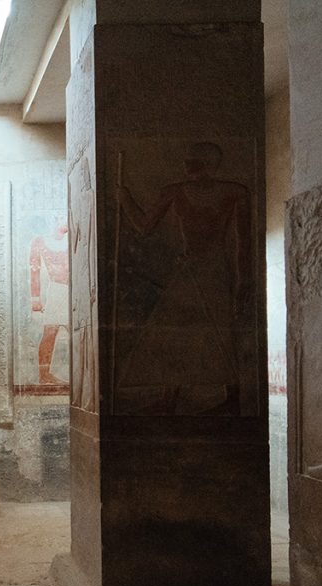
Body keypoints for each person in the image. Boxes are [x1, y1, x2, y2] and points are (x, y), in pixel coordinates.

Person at [115, 142, 251, 415]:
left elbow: (242, 242)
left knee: (219, 329)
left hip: (214, 269)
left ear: (210, 165)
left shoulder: (234, 193)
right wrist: (125, 198)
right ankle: (171, 394)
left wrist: (243, 281)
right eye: (187, 162)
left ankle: (232, 394)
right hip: (189, 267)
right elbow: (144, 227)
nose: (188, 167)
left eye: (195, 162)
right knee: (173, 328)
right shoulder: (175, 192)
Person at [29, 222, 69, 385]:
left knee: (79, 334)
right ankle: (44, 375)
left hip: (75, 289)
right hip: (56, 289)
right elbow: (34, 269)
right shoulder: (40, 241)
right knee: (50, 331)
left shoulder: (75, 237)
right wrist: (36, 298)